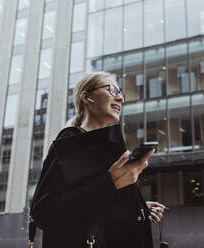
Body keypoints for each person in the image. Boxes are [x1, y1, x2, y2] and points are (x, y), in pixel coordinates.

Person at [30, 72, 166, 248]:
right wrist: (111, 183)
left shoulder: (103, 148)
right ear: (87, 97)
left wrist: (138, 208)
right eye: (113, 90)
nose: (121, 99)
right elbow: (44, 211)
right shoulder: (71, 140)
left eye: (121, 93)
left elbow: (93, 207)